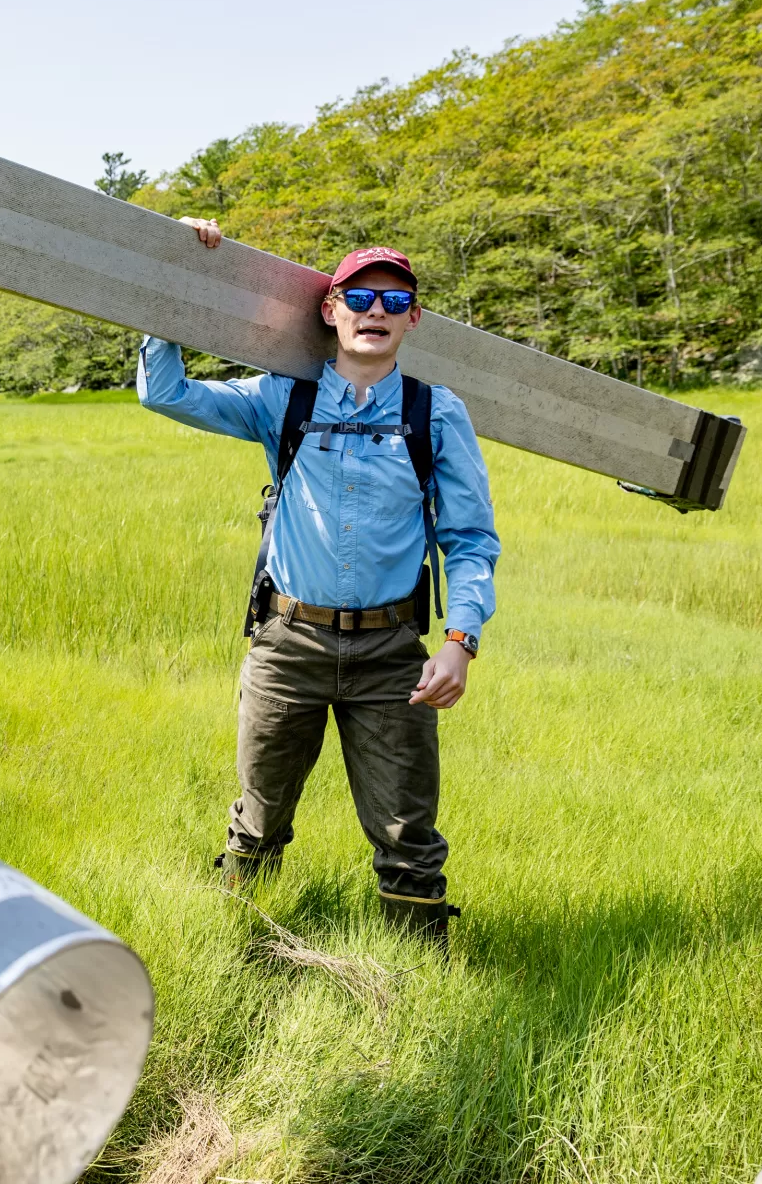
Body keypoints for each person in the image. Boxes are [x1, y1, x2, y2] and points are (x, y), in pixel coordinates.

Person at [138, 218, 500, 945]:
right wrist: (174, 262)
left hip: (391, 653)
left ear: (413, 319)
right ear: (329, 308)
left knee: (406, 831)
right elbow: (164, 391)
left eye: (395, 302)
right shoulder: (282, 400)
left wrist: (459, 639)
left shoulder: (436, 413)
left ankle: (414, 976)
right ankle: (232, 950)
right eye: (360, 297)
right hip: (286, 646)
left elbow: (468, 539)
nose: (376, 312)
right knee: (259, 815)